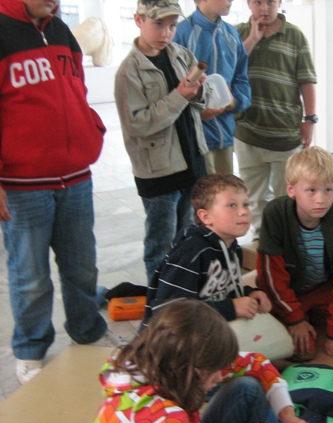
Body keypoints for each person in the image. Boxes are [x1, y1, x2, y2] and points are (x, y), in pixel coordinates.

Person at [0, 0, 119, 385]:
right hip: (23, 185)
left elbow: (76, 87)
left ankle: (87, 330)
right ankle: (30, 349)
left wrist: (90, 128)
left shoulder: (60, 30)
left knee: (82, 266)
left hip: (76, 177)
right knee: (30, 275)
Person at [91, 299, 318, 423]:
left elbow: (256, 362)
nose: (219, 377)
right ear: (189, 369)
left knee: (246, 387)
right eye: (213, 371)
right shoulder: (157, 417)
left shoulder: (162, 363)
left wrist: (288, 416)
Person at [115, 0, 209, 284]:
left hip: (190, 160)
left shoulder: (181, 55)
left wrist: (199, 91)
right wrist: (180, 95)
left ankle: (183, 293)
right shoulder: (129, 71)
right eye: (158, 24)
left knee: (188, 237)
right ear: (138, 20)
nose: (166, 33)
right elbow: (138, 124)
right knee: (160, 244)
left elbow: (199, 103)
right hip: (158, 171)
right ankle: (159, 301)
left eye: (172, 25)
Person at [257, 146, 333, 361]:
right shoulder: (275, 213)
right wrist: (295, 319)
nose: (321, 199)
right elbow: (271, 277)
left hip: (323, 290)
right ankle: (303, 318)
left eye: (328, 190)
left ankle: (317, 317)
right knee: (303, 351)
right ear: (291, 190)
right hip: (290, 292)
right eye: (311, 190)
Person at [235, 0, 317, 240]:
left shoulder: (294, 36)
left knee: (288, 195)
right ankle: (262, 239)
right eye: (258, 2)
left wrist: (310, 119)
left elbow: (306, 80)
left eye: (270, 2)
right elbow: (229, 69)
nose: (264, 8)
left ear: (279, 2)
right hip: (247, 132)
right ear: (249, 3)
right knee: (254, 196)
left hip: (285, 132)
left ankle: (287, 240)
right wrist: (252, 39)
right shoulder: (238, 33)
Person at [142, 174, 271, 326]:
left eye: (246, 204)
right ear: (205, 217)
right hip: (172, 339)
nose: (243, 212)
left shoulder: (232, 247)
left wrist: (249, 293)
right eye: (232, 205)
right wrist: (230, 308)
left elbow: (220, 291)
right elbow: (169, 310)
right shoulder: (191, 252)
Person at [173, 0, 252, 175]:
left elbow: (242, 79)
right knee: (203, 191)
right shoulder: (181, 34)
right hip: (195, 139)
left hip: (225, 135)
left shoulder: (231, 34)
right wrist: (196, 114)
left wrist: (234, 101)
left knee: (225, 190)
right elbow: (170, 90)